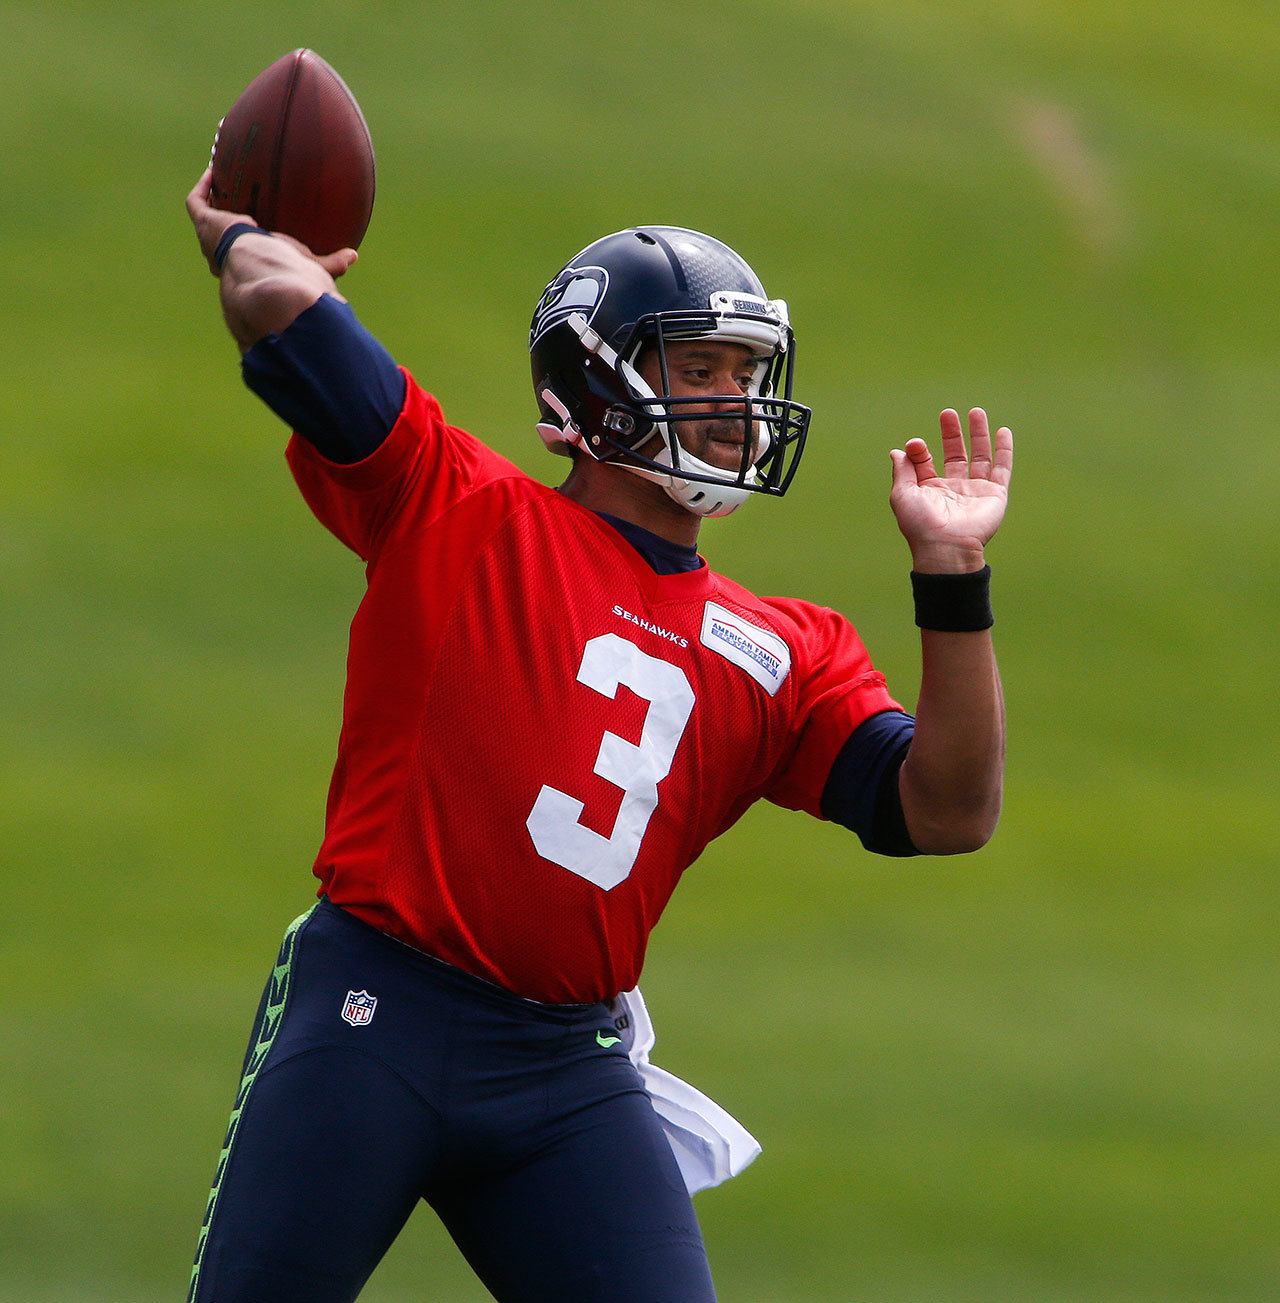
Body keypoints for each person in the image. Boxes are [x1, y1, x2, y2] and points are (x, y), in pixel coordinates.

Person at [183, 166, 1012, 1303]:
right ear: (592, 377)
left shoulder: (781, 647)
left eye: (746, 372)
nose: (734, 401)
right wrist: (244, 235)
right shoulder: (457, 505)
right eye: (700, 368)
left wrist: (950, 578)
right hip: (373, 1011)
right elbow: (278, 304)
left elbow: (947, 812)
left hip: (562, 1070)